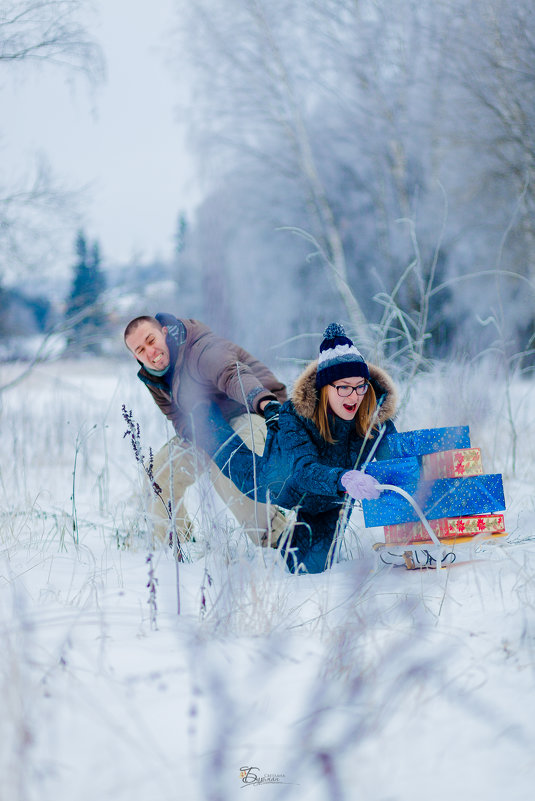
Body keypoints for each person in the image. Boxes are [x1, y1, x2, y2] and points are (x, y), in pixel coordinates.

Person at [192, 323, 398, 573]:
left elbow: (396, 461)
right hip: (282, 482)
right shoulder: (294, 415)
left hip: (330, 500)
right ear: (325, 388)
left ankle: (291, 539)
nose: (354, 396)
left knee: (309, 568)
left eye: (360, 385)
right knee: (235, 462)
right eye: (344, 387)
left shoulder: (375, 416)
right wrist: (344, 478)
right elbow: (303, 470)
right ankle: (204, 416)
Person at [124, 313, 288, 546]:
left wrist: (265, 402)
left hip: (253, 410)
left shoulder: (200, 348)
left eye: (151, 340)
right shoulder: (152, 377)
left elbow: (233, 375)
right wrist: (200, 430)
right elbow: (177, 418)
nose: (150, 353)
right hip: (208, 426)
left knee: (226, 466)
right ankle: (177, 544)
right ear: (135, 356)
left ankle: (279, 539)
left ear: (164, 332)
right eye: (140, 350)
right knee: (158, 472)